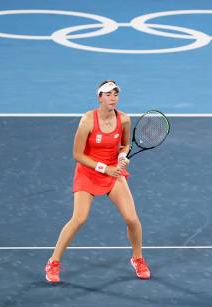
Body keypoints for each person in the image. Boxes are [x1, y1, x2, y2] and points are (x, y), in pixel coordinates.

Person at [45, 80, 150, 283]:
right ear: (99, 97)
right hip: (88, 172)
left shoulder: (125, 119)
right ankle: (53, 262)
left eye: (116, 94)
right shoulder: (87, 120)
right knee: (79, 218)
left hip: (113, 173)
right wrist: (104, 168)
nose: (113, 98)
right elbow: (77, 154)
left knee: (132, 219)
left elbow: (125, 145)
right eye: (108, 94)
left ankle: (138, 259)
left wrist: (122, 158)